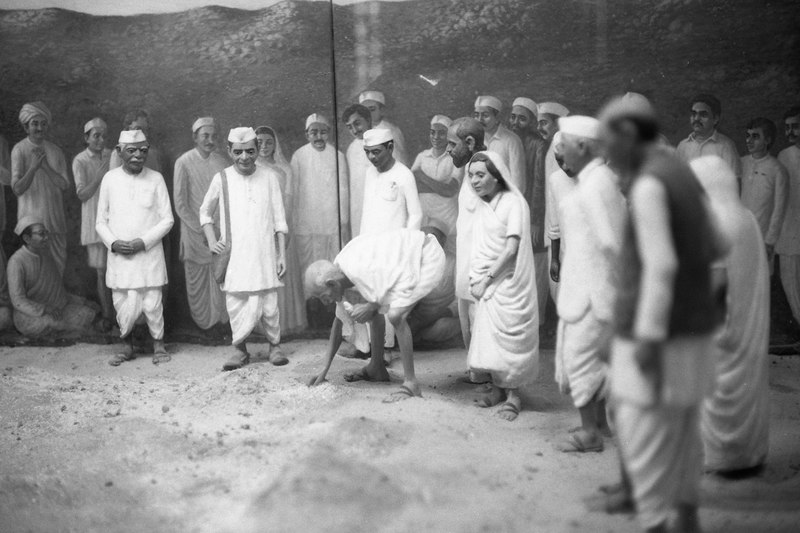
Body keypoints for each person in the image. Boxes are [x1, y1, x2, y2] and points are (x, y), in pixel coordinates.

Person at [600, 93, 727, 533]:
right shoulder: (680, 170)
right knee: (685, 429)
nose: (608, 155)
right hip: (695, 328)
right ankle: (688, 516)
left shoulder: (650, 183)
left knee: (644, 435)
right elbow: (718, 242)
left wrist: (649, 339)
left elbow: (662, 265)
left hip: (660, 333)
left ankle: (656, 523)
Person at [692, 155, 770, 474]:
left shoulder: (712, 222)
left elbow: (717, 281)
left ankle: (721, 458)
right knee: (747, 389)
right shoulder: (747, 218)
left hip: (720, 324)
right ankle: (747, 456)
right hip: (748, 323)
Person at [552, 117, 625, 452]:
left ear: (582, 146)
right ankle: (601, 424)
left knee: (579, 355)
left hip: (591, 291)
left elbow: (610, 242)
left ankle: (590, 433)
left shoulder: (596, 183)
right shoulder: (600, 178)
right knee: (593, 358)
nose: (560, 151)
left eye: (563, 144)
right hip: (590, 286)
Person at [305, 228, 446, 402]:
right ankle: (376, 367)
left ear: (331, 284)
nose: (325, 303)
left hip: (425, 257)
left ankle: (411, 384)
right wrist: (324, 368)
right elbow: (338, 320)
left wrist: (371, 306)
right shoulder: (338, 269)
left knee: (396, 315)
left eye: (324, 297)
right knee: (374, 309)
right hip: (404, 264)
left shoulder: (358, 269)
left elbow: (393, 282)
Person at [200, 127, 289, 371]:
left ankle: (274, 346)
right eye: (238, 152)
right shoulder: (222, 178)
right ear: (229, 151)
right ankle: (239, 350)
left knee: (269, 303)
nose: (244, 157)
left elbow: (280, 220)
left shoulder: (270, 177)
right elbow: (205, 212)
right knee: (236, 302)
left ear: (257, 150)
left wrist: (281, 254)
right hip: (236, 256)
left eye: (250, 151)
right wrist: (211, 240)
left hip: (264, 253)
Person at [466, 151, 539, 422]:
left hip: (508, 281)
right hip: (486, 282)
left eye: (480, 175)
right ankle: (498, 389)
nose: (474, 180)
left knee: (510, 339)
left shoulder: (513, 203)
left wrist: (487, 280)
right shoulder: (484, 206)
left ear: (497, 176)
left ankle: (514, 395)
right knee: (491, 338)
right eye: (471, 175)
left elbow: (511, 248)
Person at [97, 129, 174, 366]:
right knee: (122, 301)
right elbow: (100, 222)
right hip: (120, 256)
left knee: (152, 302)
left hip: (148, 254)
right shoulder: (109, 179)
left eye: (142, 150)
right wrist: (113, 242)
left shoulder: (156, 178)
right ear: (119, 152)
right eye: (131, 151)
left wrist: (143, 242)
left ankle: (158, 346)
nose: (138, 156)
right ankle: (126, 346)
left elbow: (167, 219)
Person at [360, 127, 423, 349]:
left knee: (388, 300)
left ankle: (386, 349)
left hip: (394, 248)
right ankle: (371, 349)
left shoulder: (404, 174)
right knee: (370, 296)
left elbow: (416, 214)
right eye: (367, 152)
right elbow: (368, 211)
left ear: (390, 147)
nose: (371, 157)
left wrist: (406, 245)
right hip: (370, 246)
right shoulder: (369, 173)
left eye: (376, 152)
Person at [172, 117, 230, 332]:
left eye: (214, 136)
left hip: (219, 231)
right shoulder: (183, 162)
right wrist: (201, 229)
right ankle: (204, 326)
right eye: (205, 135)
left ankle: (222, 324)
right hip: (194, 233)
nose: (210, 140)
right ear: (195, 137)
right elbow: (180, 203)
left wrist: (218, 229)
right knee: (197, 279)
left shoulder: (222, 161)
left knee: (219, 276)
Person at [8, 216, 98, 337]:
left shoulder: (46, 255)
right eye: (41, 234)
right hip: (30, 315)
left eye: (46, 233)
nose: (46, 237)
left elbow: (59, 294)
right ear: (27, 238)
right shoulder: (16, 261)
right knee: (53, 323)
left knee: (87, 314)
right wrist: (44, 309)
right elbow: (18, 301)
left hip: (56, 310)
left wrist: (83, 301)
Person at [256, 125, 307, 336]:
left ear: (275, 144)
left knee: (282, 271)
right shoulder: (252, 167)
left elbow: (288, 201)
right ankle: (262, 325)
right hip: (259, 226)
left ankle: (285, 324)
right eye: (259, 143)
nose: (264, 146)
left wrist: (282, 230)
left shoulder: (284, 169)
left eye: (269, 142)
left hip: (281, 225)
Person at [11, 102, 70, 276]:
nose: (39, 128)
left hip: (54, 219)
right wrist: (33, 168)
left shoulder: (55, 151)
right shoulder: (19, 150)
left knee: (57, 266)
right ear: (26, 127)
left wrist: (45, 167)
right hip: (31, 221)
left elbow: (64, 185)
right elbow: (17, 189)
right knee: (35, 269)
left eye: (43, 124)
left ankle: (56, 300)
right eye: (35, 123)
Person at [290, 113, 349, 280]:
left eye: (322, 132)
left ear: (329, 133)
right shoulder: (298, 156)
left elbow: (343, 190)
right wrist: (295, 221)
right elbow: (294, 191)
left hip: (331, 221)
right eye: (313, 132)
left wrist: (343, 221)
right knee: (307, 267)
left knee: (332, 265)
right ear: (307, 134)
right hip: (306, 222)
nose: (318, 136)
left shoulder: (338, 156)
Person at [447, 117, 486, 354]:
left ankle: (487, 373)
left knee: (479, 314)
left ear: (470, 142)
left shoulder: (485, 170)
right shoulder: (472, 167)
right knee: (468, 312)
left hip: (480, 262)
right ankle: (477, 369)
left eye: (452, 144)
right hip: (468, 258)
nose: (449, 150)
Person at [510, 97, 549, 326]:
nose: (515, 122)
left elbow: (538, 185)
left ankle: (538, 324)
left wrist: (535, 221)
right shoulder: (510, 141)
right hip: (515, 216)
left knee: (536, 273)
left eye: (522, 118)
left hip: (532, 217)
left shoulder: (538, 145)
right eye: (513, 117)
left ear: (532, 122)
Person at [72, 117, 114, 330]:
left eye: (103, 136)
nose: (100, 140)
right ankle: (107, 315)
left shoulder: (112, 156)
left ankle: (122, 316)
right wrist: (99, 176)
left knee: (119, 269)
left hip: (115, 219)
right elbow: (82, 194)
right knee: (101, 270)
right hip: (93, 221)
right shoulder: (80, 160)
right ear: (87, 138)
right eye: (96, 136)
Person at [740, 117, 788, 264]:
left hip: (763, 238)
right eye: (748, 136)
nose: (749, 140)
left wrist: (769, 242)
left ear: (767, 140)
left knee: (761, 282)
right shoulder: (741, 162)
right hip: (740, 235)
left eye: (755, 137)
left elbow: (779, 209)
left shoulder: (777, 169)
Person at [410, 115, 461, 253]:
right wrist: (440, 187)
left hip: (448, 218)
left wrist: (422, 176)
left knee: (448, 260)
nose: (436, 137)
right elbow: (412, 186)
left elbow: (451, 189)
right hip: (425, 216)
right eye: (433, 132)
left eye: (441, 133)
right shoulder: (422, 156)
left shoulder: (455, 158)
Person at [408, 218, 460, 346]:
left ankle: (421, 340)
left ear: (443, 240)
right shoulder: (415, 261)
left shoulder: (454, 263)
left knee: (442, 327)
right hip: (418, 317)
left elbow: (460, 301)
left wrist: (439, 314)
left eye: (433, 237)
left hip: (443, 316)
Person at [676, 93, 742, 180]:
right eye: (693, 114)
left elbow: (735, 182)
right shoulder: (683, 146)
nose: (696, 118)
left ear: (715, 119)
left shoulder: (726, 146)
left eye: (703, 115)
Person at [547, 132, 578, 302]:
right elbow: (555, 225)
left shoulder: (599, 178)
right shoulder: (556, 181)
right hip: (568, 257)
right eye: (559, 161)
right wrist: (554, 259)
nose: (565, 167)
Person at [776, 106, 800, 328]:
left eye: (795, 127)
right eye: (787, 128)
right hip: (790, 229)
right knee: (790, 282)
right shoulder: (784, 156)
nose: (790, 132)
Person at [473, 96, 525, 190]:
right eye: (477, 115)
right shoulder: (474, 140)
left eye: (485, 116)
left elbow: (518, 183)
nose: (479, 120)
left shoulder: (512, 141)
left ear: (497, 117)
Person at [342, 104, 373, 238]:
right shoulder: (352, 149)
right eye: (350, 127)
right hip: (358, 208)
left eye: (357, 123)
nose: (354, 130)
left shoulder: (385, 141)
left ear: (368, 120)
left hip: (379, 205)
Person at [358, 90, 408, 165]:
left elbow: (398, 162)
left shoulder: (389, 131)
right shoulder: (364, 131)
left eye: (372, 110)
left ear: (381, 110)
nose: (367, 114)